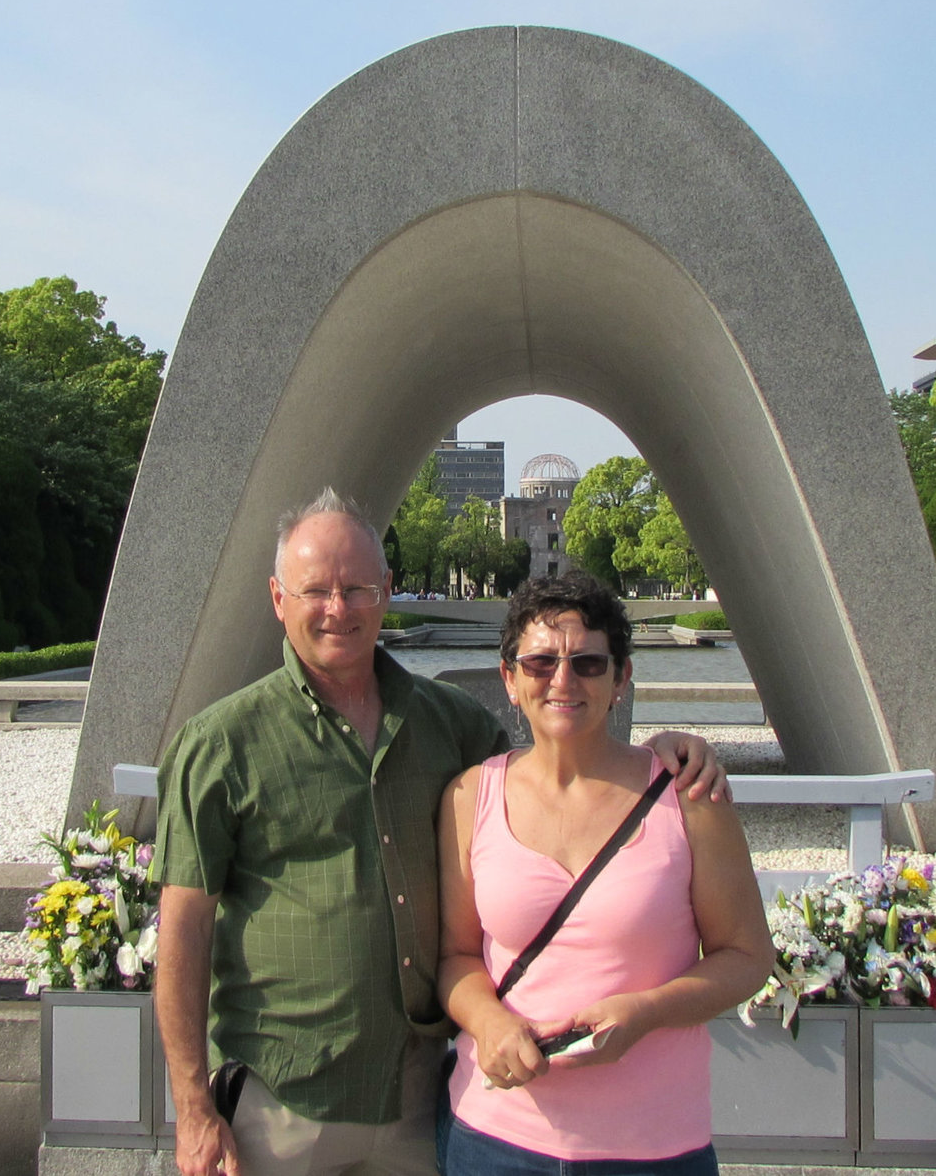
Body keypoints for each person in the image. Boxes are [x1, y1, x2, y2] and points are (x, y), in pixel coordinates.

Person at [156, 489, 730, 1176]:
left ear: (388, 592)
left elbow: (550, 763)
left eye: (358, 588)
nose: (338, 608)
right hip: (281, 1106)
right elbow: (182, 931)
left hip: (417, 1098)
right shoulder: (220, 743)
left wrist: (667, 749)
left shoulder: (451, 724)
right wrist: (192, 1106)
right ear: (278, 598)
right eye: (316, 590)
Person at [435, 575, 771, 1176]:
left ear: (621, 678)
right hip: (495, 1137)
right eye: (539, 662)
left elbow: (747, 956)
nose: (562, 681)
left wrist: (645, 1012)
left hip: (652, 1146)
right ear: (509, 679)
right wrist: (489, 1023)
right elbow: (457, 957)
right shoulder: (469, 797)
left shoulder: (688, 795)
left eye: (588, 663)